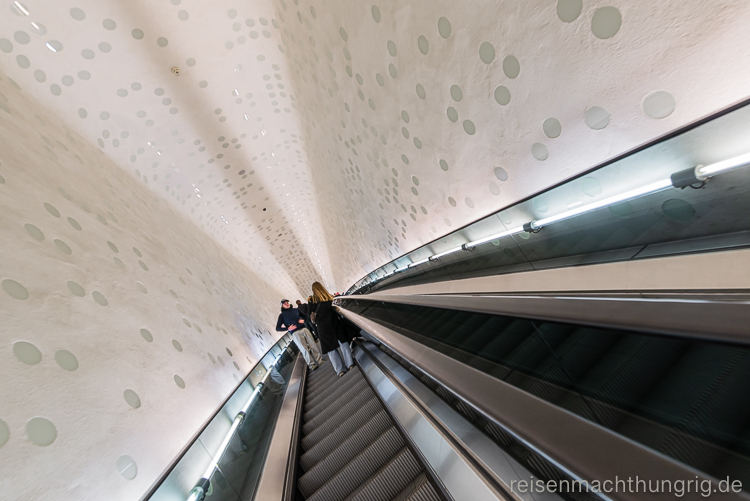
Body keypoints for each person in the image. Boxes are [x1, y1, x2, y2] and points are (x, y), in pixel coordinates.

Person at [310, 282, 354, 378]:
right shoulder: (328, 298)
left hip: (323, 328)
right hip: (334, 323)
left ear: (314, 291)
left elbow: (312, 318)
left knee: (331, 350)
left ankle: (340, 371)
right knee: (343, 343)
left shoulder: (312, 302)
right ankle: (350, 363)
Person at [276, 299, 323, 370]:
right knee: (304, 349)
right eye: (285, 304)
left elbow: (305, 316)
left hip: (304, 329)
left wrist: (303, 320)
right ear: (282, 306)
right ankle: (311, 365)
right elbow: (278, 328)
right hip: (295, 333)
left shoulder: (295, 310)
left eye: (287, 303)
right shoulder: (282, 316)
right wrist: (288, 328)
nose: (287, 304)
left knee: (312, 344)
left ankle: (320, 360)